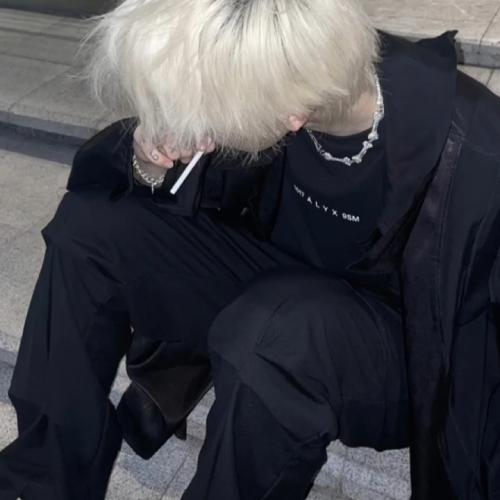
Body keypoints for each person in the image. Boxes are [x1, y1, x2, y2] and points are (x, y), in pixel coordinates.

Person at [1, 1, 500, 499]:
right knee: (90, 229)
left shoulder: (477, 156)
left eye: (209, 114)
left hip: (405, 349)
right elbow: (195, 188)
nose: (200, 128)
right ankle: (44, 480)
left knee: (278, 332)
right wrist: (147, 160)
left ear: (292, 115)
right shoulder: (285, 75)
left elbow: (475, 363)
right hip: (280, 283)